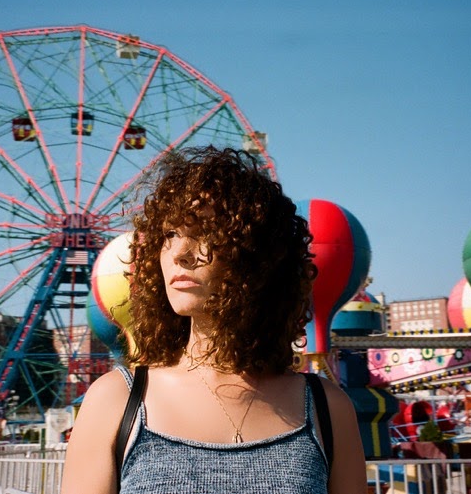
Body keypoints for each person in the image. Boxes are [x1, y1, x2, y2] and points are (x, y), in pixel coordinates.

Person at [62, 146, 367, 494]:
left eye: (205, 233)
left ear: (259, 257)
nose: (180, 253)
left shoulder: (327, 409)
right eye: (170, 234)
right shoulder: (116, 402)